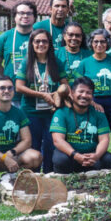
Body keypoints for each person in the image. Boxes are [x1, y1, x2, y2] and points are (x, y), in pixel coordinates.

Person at [14, 29, 69, 174]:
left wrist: (59, 93)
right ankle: (34, 177)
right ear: (31, 43)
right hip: (31, 112)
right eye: (37, 41)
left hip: (52, 112)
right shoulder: (27, 62)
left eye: (44, 41)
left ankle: (49, 175)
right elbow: (19, 87)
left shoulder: (56, 62)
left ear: (49, 44)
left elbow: (65, 85)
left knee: (51, 145)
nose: (41, 44)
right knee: (33, 145)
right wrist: (42, 94)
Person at [0, 76, 41, 190]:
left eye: (10, 88)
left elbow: (27, 141)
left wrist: (11, 152)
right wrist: (4, 157)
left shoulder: (19, 113)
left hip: (11, 154)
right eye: (2, 88)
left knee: (35, 157)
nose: (6, 91)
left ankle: (10, 177)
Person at [81, 28, 111, 166]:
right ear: (91, 43)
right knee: (92, 139)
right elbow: (78, 88)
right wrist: (91, 102)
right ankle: (93, 168)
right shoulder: (85, 63)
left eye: (102, 41)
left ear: (108, 43)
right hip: (93, 104)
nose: (99, 45)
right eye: (95, 41)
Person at [51, 78, 111, 173]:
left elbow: (104, 139)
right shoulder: (61, 113)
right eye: (81, 91)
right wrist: (76, 155)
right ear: (72, 93)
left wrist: (96, 156)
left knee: (108, 160)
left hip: (91, 155)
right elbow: (58, 140)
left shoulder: (99, 113)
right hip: (70, 155)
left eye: (88, 93)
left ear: (92, 96)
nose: (84, 95)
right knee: (60, 160)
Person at [0, 1, 37, 81]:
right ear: (14, 17)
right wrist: (3, 77)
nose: (25, 16)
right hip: (11, 86)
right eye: (21, 13)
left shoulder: (41, 37)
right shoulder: (5, 37)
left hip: (35, 85)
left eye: (29, 13)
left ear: (34, 17)